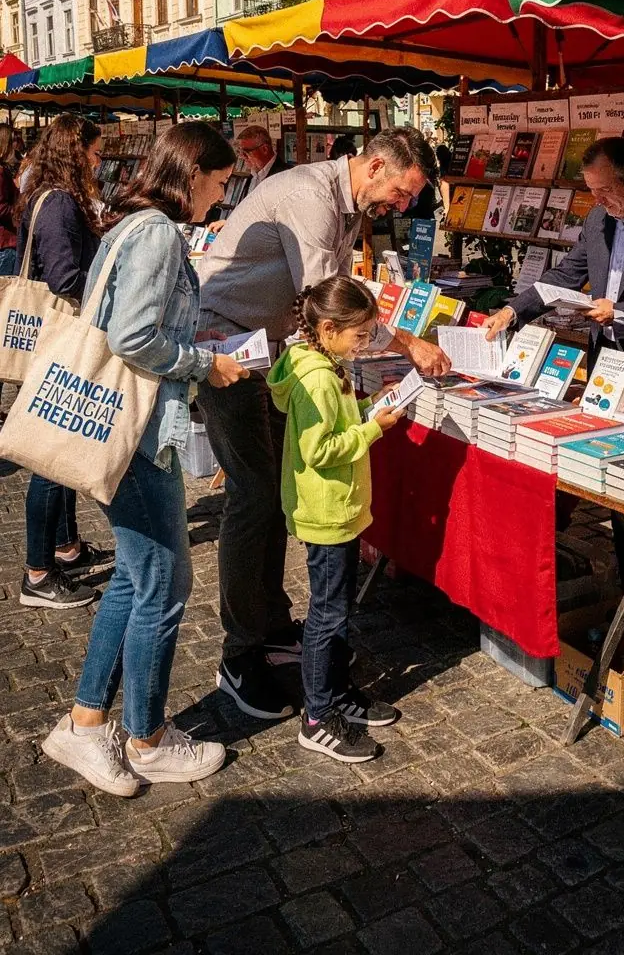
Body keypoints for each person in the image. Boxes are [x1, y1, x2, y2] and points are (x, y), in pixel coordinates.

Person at [196, 126, 450, 721]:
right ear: (376, 164)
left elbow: (332, 303)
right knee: (254, 499)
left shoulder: (341, 202)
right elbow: (327, 300)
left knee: (280, 495)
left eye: (410, 199)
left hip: (274, 352)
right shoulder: (310, 197)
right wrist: (405, 342)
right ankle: (240, 656)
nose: (403, 206)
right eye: (402, 191)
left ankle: (275, 627)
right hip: (229, 347)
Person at [41, 123, 257, 797]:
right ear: (193, 173)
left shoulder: (130, 224)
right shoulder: (159, 232)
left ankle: (83, 723)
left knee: (137, 582)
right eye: (221, 183)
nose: (220, 199)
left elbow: (136, 322)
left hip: (122, 427)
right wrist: (205, 362)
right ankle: (148, 739)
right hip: (138, 433)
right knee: (163, 587)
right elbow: (134, 335)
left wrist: (194, 338)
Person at [269, 276, 403, 763]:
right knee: (327, 616)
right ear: (328, 329)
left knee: (338, 609)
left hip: (337, 510)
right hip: (327, 512)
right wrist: (373, 430)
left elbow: (335, 424)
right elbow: (320, 448)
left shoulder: (324, 364)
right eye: (360, 336)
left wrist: (370, 406)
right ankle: (318, 716)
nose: (365, 344)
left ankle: (338, 695)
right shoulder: (320, 379)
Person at [485, 136, 624, 403]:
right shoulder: (597, 220)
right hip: (603, 358)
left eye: (604, 189)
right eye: (592, 190)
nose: (597, 200)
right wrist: (512, 311)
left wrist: (619, 311)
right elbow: (566, 274)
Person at [17, 116, 109, 610]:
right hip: (59, 339)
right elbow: (63, 276)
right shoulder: (57, 203)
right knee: (49, 457)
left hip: (55, 339)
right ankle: (37, 573)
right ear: (77, 153)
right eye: (94, 153)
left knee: (63, 449)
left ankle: (65, 546)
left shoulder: (52, 197)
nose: (99, 161)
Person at [237, 123, 287, 189]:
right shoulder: (252, 174)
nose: (242, 156)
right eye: (239, 151)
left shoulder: (285, 175)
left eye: (246, 152)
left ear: (264, 149)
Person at [0, 126, 18, 277]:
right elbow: (1, 208)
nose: (16, 144)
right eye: (13, 140)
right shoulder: (0, 172)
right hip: (4, 242)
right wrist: (20, 209)